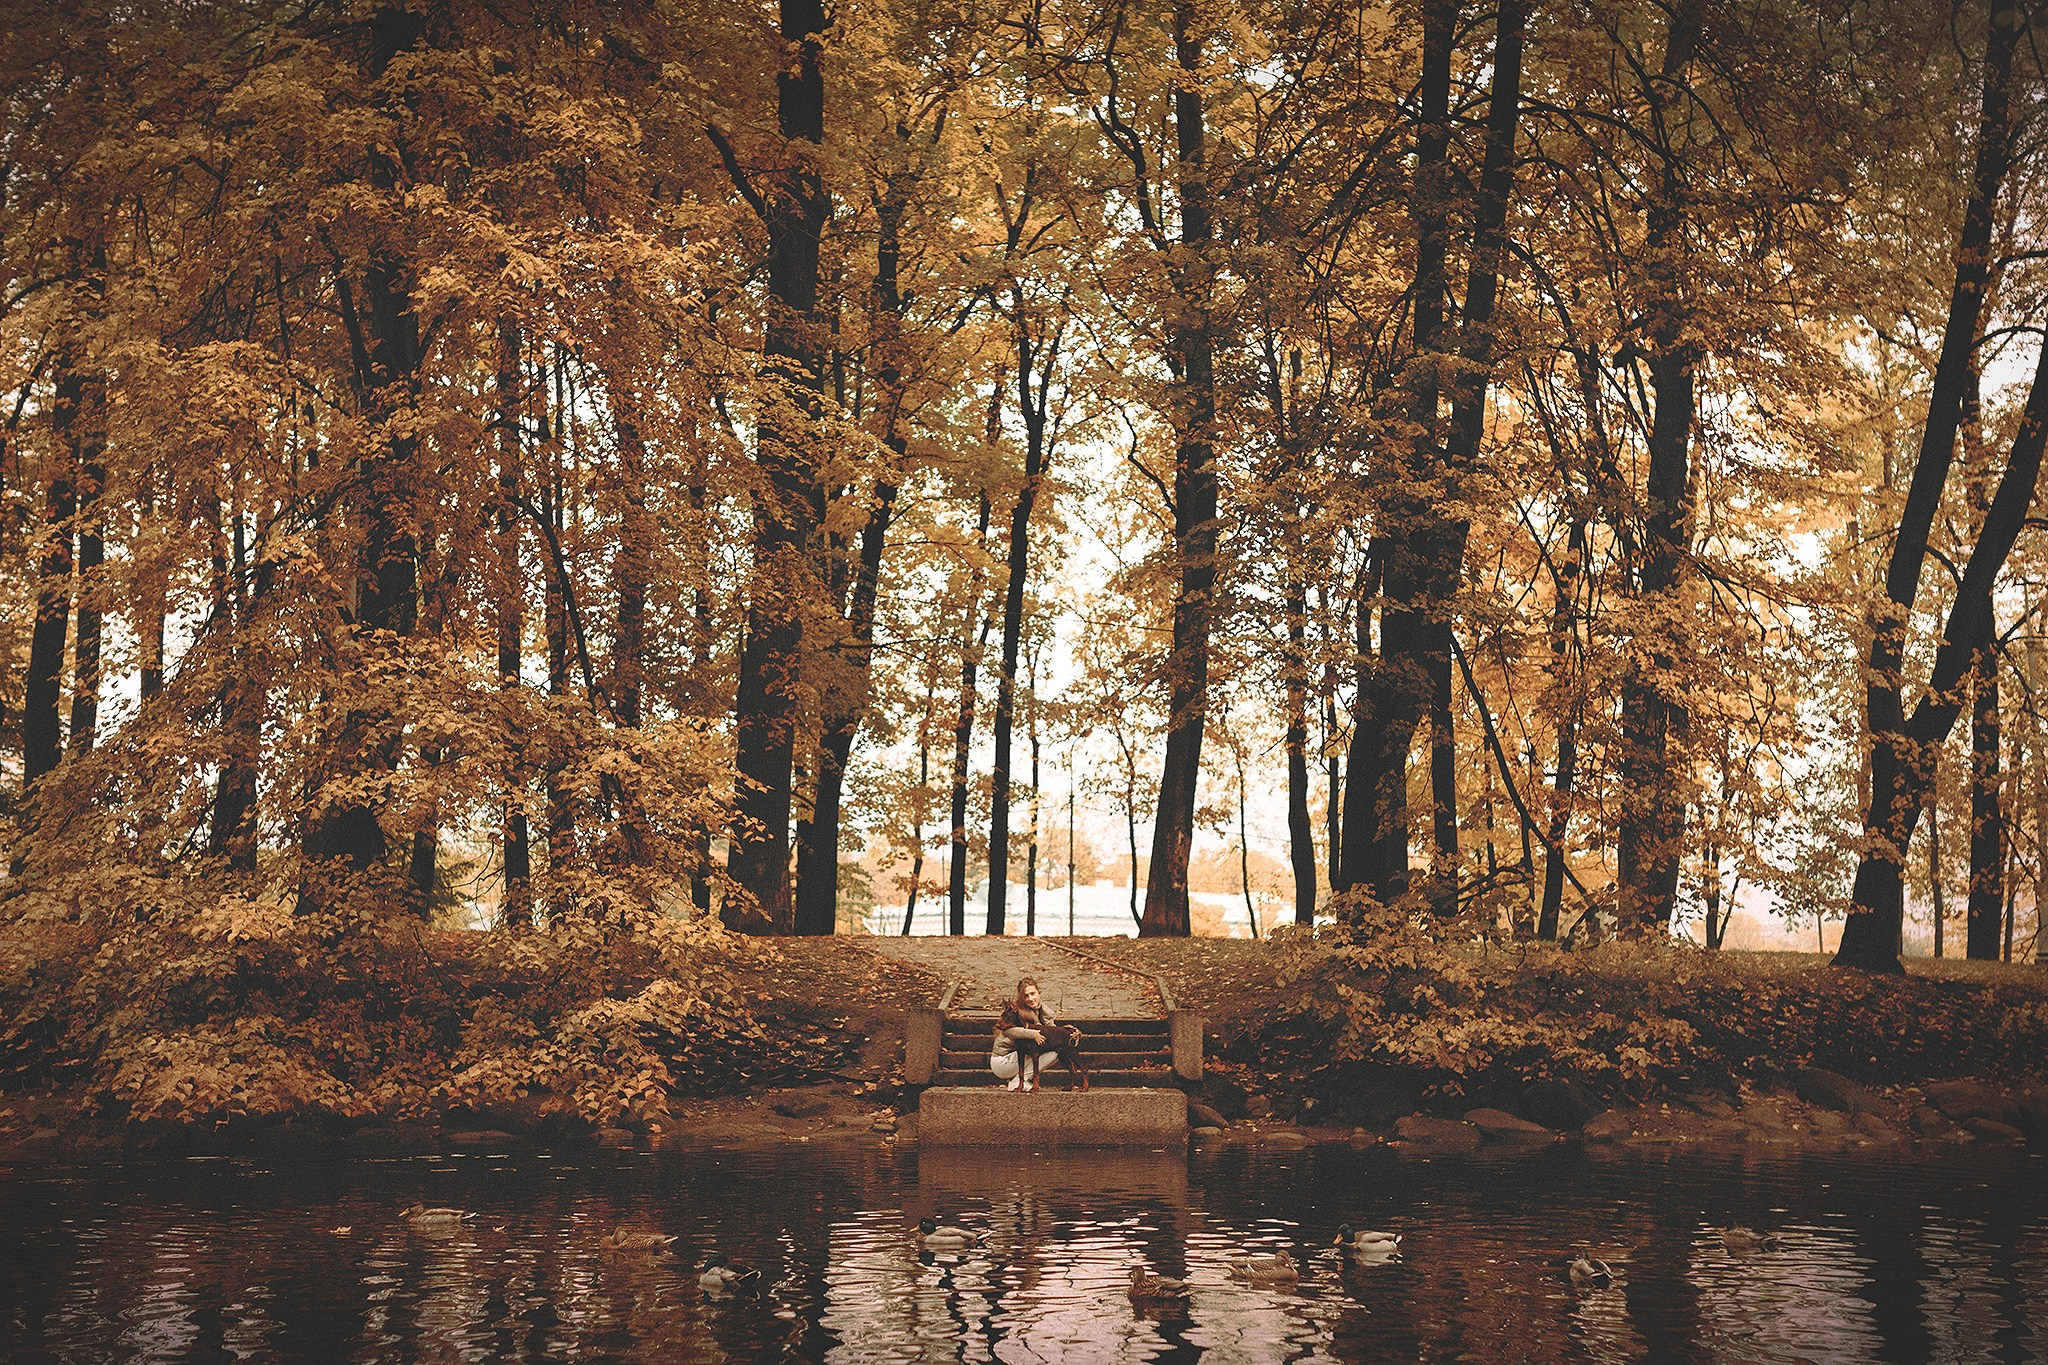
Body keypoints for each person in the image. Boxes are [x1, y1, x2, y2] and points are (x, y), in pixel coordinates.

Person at [990, 977, 1089, 1092]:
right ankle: (1018, 1081)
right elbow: (1008, 1031)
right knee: (1052, 1051)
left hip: (1013, 1060)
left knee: (1058, 1047)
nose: (1030, 998)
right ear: (1021, 998)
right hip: (1002, 1061)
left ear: (1039, 993)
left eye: (1033, 994)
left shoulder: (1041, 1011)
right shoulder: (1016, 1012)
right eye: (1026, 996)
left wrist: (1067, 1033)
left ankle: (1020, 1080)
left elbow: (1053, 1032)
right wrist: (1033, 1034)